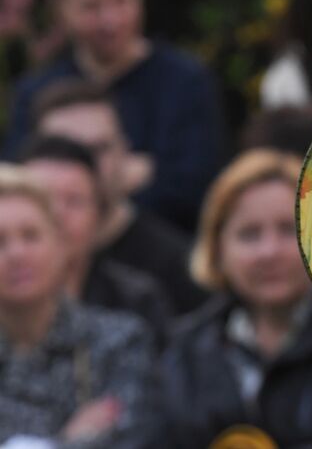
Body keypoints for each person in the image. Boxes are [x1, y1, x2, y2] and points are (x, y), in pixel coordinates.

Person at [153, 150, 312, 448]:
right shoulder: (183, 352)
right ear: (217, 248)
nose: (269, 251)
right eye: (249, 234)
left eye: (287, 230)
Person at [4, 0, 225, 230]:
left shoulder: (186, 81)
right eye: (91, 7)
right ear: (60, 6)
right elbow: (19, 186)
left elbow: (197, 189)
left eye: (121, 1)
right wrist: (122, 178)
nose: (110, 21)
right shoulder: (36, 91)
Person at [0, 164, 156, 449]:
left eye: (31, 236)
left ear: (60, 246)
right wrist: (67, 441)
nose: (16, 254)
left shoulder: (119, 341)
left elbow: (133, 441)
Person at [28, 79, 203, 314]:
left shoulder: (180, 266)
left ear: (126, 151)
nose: (83, 165)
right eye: (63, 151)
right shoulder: (12, 268)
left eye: (99, 149)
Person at [19, 137, 171, 341]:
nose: (57, 215)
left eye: (73, 200)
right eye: (44, 199)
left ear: (99, 215)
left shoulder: (136, 301)